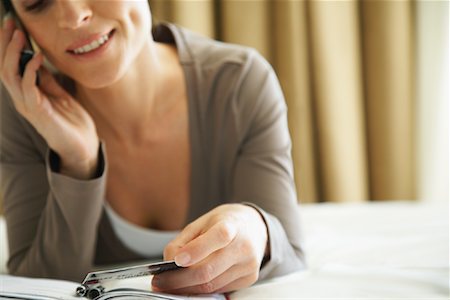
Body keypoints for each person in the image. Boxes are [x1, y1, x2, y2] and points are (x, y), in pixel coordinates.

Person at [0, 0, 304, 294]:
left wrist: (258, 230)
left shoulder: (238, 83)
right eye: (38, 3)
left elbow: (289, 254)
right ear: (19, 29)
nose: (74, 15)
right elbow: (38, 284)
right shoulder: (25, 110)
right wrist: (77, 163)